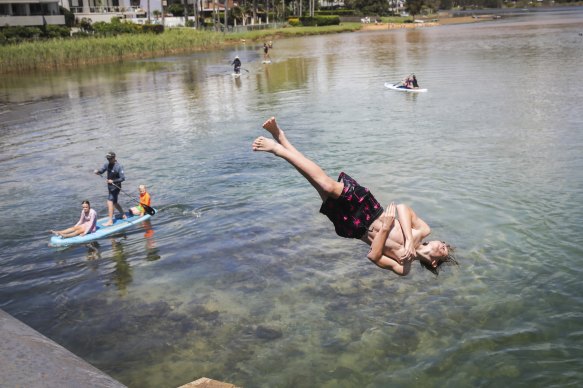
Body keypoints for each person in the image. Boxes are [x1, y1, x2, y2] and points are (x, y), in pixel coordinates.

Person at [252, 117, 457, 276]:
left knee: (315, 181)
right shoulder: (422, 231)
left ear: (433, 262)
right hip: (369, 208)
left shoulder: (403, 267)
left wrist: (385, 229)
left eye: (445, 250)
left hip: (353, 226)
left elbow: (374, 256)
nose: (443, 245)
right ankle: (278, 148)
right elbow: (403, 209)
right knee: (326, 183)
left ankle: (282, 138)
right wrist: (410, 243)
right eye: (445, 243)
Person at [94, 151, 126, 226]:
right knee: (114, 202)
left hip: (116, 187)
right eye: (108, 159)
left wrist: (113, 181)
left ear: (114, 158)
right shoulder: (107, 164)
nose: (109, 160)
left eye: (110, 159)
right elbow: (101, 171)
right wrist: (97, 171)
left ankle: (110, 221)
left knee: (109, 201)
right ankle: (123, 214)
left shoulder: (119, 166)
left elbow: (122, 178)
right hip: (110, 187)